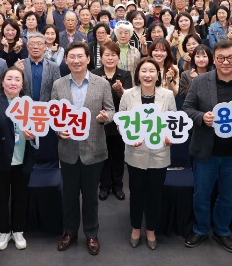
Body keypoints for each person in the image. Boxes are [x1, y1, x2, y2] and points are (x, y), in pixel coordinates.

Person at [182, 40, 232, 254]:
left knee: (228, 196)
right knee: (201, 194)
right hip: (206, 150)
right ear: (214, 59)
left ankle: (222, 230)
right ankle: (201, 229)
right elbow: (187, 108)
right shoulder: (200, 81)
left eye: (230, 58)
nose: (225, 62)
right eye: (221, 58)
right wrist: (201, 117)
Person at [53, 42, 115, 256]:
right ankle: (69, 232)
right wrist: (58, 130)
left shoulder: (102, 84)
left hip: (94, 148)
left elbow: (111, 111)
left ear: (88, 59)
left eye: (80, 56)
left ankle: (91, 233)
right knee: (69, 195)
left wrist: (106, 118)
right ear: (66, 60)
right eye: (72, 57)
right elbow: (53, 116)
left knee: (90, 197)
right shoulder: (58, 85)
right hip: (68, 149)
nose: (76, 60)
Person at [120, 58, 176, 250]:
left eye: (152, 71)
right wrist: (128, 136)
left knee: (154, 194)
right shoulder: (128, 95)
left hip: (160, 153)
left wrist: (170, 137)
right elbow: (121, 122)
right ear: (137, 74)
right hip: (135, 153)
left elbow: (173, 122)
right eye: (143, 71)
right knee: (135, 193)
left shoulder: (167, 95)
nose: (147, 75)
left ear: (157, 74)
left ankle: (150, 229)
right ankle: (136, 228)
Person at [0, 67, 39, 250]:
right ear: (2, 82)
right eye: (9, 79)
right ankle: (4, 231)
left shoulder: (29, 104)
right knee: (1, 197)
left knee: (20, 197)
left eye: (17, 80)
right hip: (0, 159)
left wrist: (33, 136)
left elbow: (38, 132)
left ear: (22, 85)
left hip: (22, 158)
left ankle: (18, 230)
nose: (13, 82)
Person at [92, 40, 133, 202]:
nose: (110, 58)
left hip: (119, 122)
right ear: (101, 57)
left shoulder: (125, 74)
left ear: (118, 57)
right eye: (106, 55)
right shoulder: (94, 74)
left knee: (117, 155)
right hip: (100, 121)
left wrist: (120, 91)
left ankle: (118, 186)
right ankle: (104, 186)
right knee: (102, 155)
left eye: (113, 55)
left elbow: (128, 99)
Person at [17, 32, 61, 102]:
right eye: (32, 44)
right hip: (24, 108)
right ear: (27, 47)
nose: (35, 47)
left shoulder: (53, 67)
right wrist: (18, 71)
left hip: (46, 108)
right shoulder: (19, 65)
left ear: (45, 47)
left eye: (39, 44)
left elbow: (57, 90)